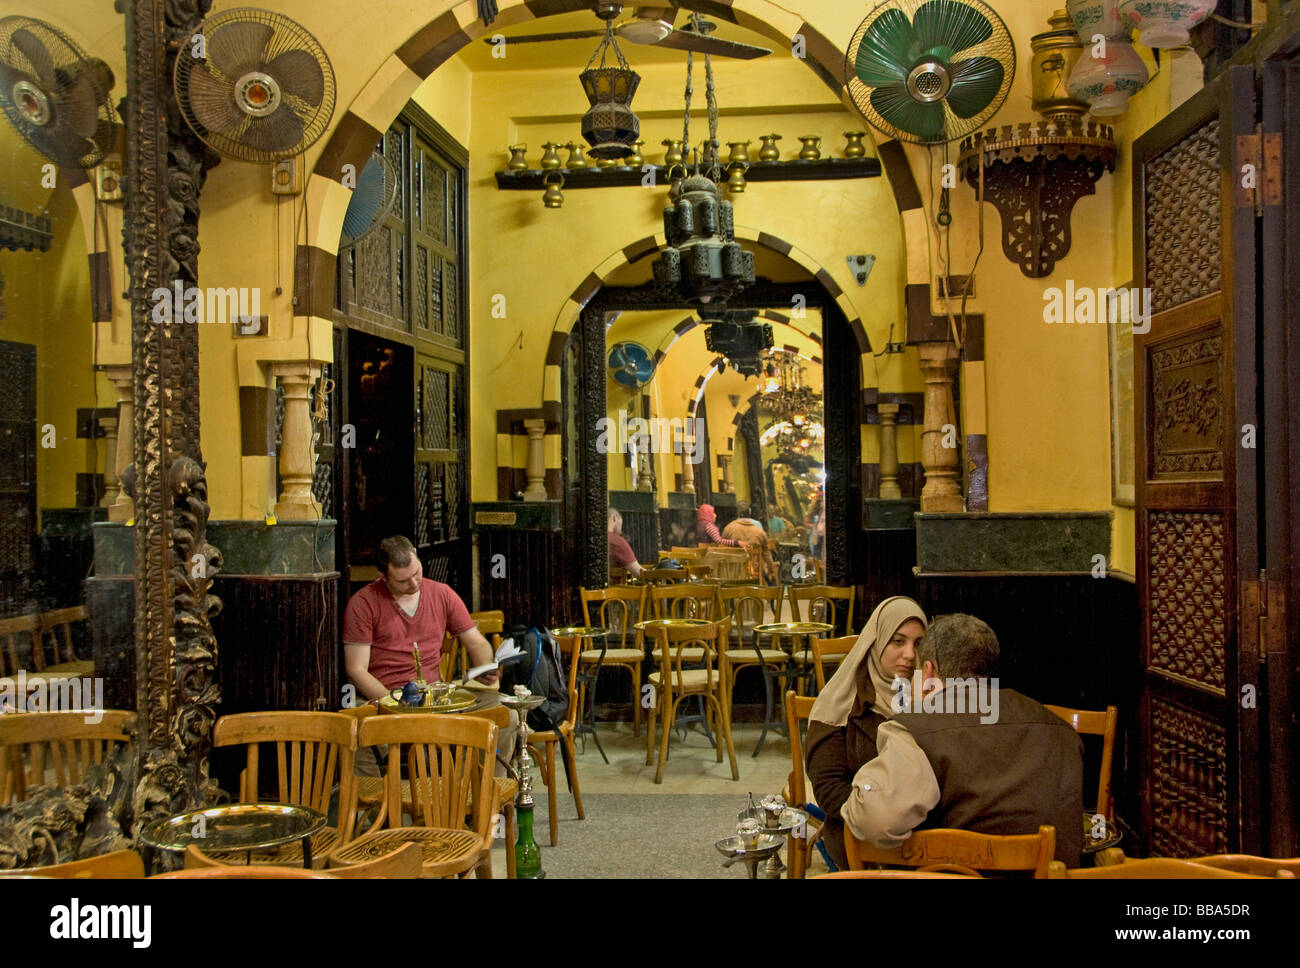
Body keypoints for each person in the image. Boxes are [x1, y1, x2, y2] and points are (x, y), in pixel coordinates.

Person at [840, 613, 1084, 867]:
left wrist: (865, 785)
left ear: (928, 671)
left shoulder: (917, 729)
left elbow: (875, 821)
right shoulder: (1062, 730)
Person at [343, 536, 516, 775]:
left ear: (416, 554)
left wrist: (484, 665)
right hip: (388, 697)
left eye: (417, 573)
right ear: (383, 576)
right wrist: (395, 704)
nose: (414, 583)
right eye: (403, 581)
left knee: (507, 715)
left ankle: (484, 794)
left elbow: (476, 642)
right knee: (357, 731)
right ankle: (380, 805)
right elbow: (356, 669)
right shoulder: (363, 603)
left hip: (436, 697)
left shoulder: (441, 593)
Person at [805, 596, 927, 870]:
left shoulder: (928, 696)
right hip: (858, 838)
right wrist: (886, 813)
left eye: (918, 644)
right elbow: (829, 790)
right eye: (898, 641)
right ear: (877, 641)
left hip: (922, 840)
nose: (910, 654)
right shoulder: (842, 704)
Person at [607, 508, 642, 579]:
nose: (621, 531)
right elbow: (639, 573)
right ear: (614, 518)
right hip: (615, 589)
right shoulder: (617, 542)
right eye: (621, 525)